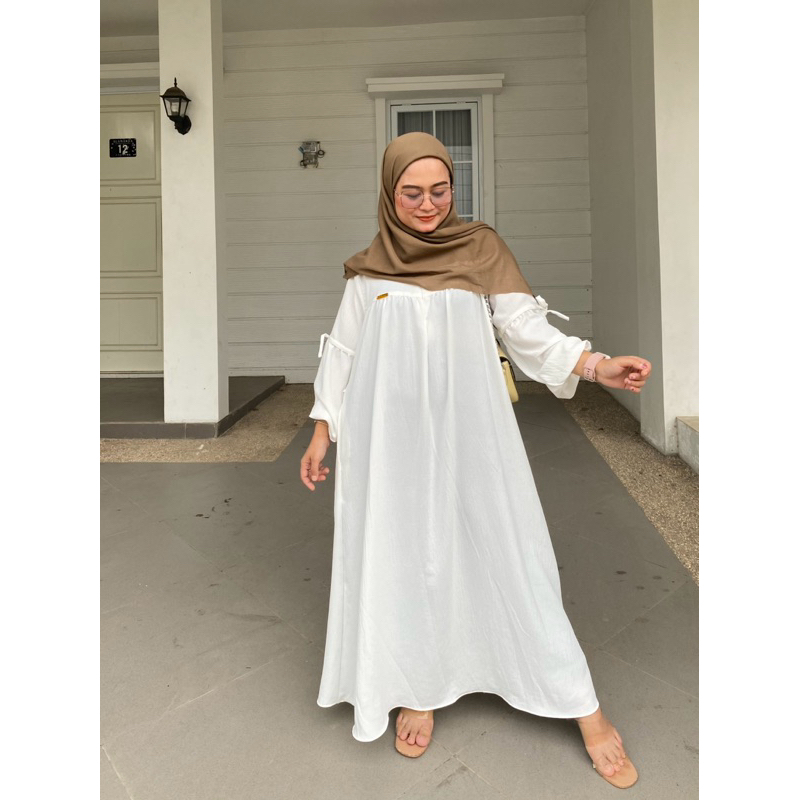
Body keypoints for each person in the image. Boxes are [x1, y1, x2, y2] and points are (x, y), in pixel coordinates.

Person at [300, 132, 651, 790]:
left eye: (440, 190)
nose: (427, 204)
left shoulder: (481, 249)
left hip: (472, 434)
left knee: (510, 550)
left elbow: (526, 331)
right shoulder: (369, 270)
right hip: (390, 441)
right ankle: (421, 687)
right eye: (411, 192)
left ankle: (583, 707)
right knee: (407, 556)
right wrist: (324, 428)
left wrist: (595, 365)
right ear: (389, 195)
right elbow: (344, 352)